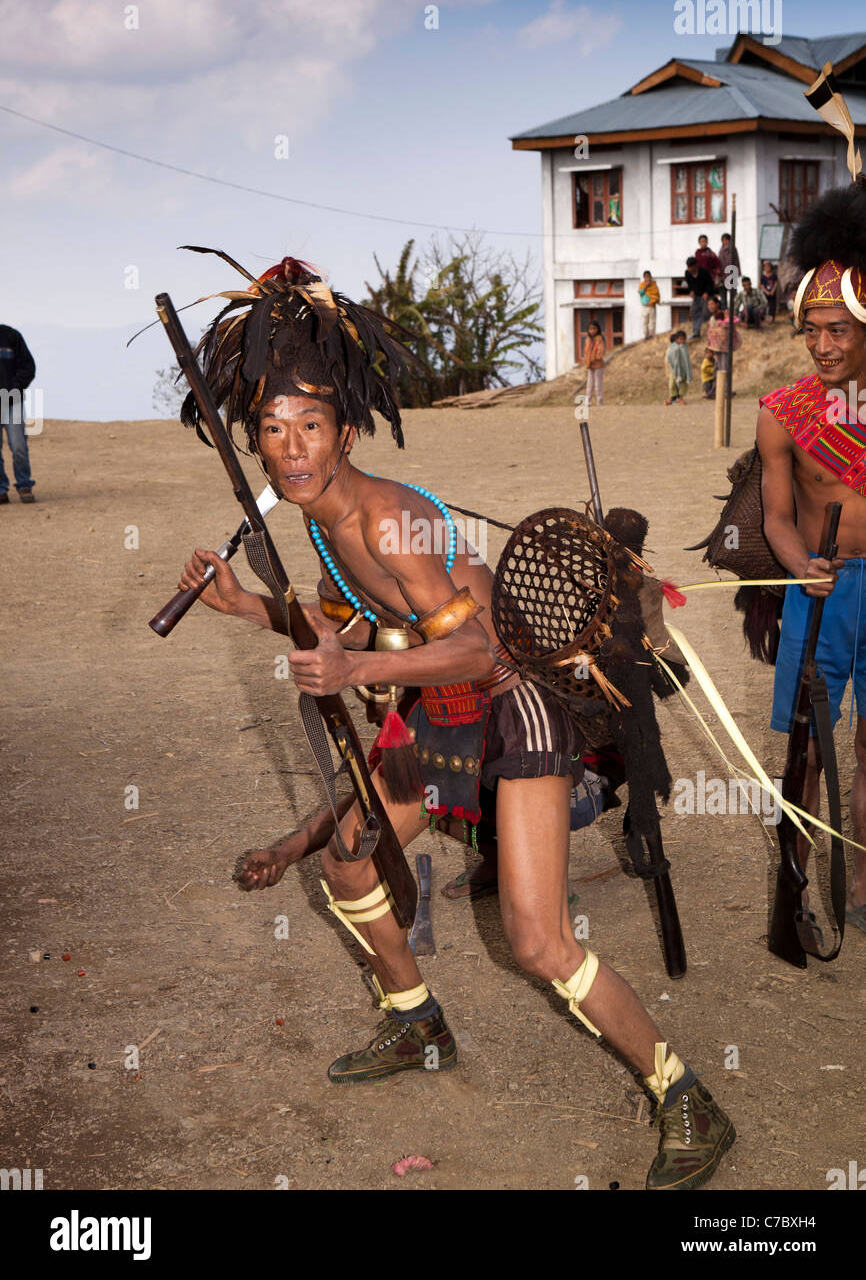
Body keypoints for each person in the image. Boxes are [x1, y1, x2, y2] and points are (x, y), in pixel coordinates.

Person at [172, 250, 735, 1190]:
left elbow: (474, 651)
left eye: (310, 424)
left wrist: (353, 664)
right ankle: (416, 1019)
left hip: (513, 709)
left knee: (537, 939)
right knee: (351, 859)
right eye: (272, 430)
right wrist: (247, 606)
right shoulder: (324, 519)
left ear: (345, 428)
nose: (291, 446)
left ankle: (686, 1098)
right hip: (442, 708)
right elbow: (363, 629)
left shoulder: (390, 519)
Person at [757, 185, 866, 939]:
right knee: (808, 747)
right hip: (819, 590)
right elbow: (775, 516)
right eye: (812, 332)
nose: (823, 346)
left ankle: (859, 885)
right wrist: (801, 563)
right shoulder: (782, 414)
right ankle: (793, 883)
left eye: (838, 331)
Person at [0, 323, 36, 504]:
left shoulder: (11, 336)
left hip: (12, 402)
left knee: (19, 446)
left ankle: (24, 485)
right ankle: (0, 490)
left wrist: (13, 389)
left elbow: (28, 367)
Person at [683, 257, 715, 340]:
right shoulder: (687, 273)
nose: (689, 269)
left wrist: (707, 292)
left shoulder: (704, 272)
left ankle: (710, 332)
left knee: (706, 312)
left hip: (706, 295)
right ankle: (696, 332)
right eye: (688, 267)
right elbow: (689, 285)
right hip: (696, 295)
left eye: (691, 267)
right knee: (694, 312)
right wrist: (691, 291)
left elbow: (711, 284)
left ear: (695, 266)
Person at [580, 320, 606, 405]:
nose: (592, 331)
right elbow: (585, 351)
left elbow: (601, 351)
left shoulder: (599, 339)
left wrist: (594, 358)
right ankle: (588, 401)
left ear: (598, 329)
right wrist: (587, 360)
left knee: (598, 384)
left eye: (594, 329)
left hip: (598, 365)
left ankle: (600, 402)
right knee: (589, 384)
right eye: (590, 329)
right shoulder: (587, 339)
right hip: (590, 365)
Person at [664, 328, 691, 404]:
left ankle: (680, 398)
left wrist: (688, 372)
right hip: (674, 370)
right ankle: (672, 398)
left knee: (683, 383)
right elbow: (669, 358)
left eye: (684, 339)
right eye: (681, 339)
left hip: (683, 370)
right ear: (676, 339)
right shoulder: (672, 348)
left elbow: (686, 360)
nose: (683, 341)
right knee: (672, 384)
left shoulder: (684, 348)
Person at [717, 233, 741, 310]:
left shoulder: (731, 249)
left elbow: (735, 262)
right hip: (722, 276)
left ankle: (733, 312)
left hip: (730, 275)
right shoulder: (721, 249)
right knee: (723, 297)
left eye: (726, 240)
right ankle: (725, 313)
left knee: (733, 296)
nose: (724, 241)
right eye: (723, 240)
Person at [638, 269, 660, 340]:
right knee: (645, 321)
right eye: (646, 277)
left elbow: (656, 294)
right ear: (644, 278)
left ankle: (651, 334)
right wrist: (645, 286)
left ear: (651, 277)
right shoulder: (642, 285)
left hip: (651, 306)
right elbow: (640, 293)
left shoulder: (654, 285)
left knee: (652, 321)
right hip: (645, 306)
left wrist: (654, 300)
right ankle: (645, 334)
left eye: (648, 277)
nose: (647, 278)